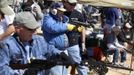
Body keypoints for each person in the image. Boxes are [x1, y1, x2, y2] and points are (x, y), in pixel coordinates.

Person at [0, 11, 68, 75]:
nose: (34, 32)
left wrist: (60, 54)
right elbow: (2, 69)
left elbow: (50, 49)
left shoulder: (39, 40)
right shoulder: (6, 45)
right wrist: (23, 73)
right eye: (30, 29)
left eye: (35, 29)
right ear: (18, 29)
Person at [42, 2, 78, 75]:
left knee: (63, 73)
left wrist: (75, 28)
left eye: (62, 11)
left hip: (63, 51)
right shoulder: (47, 18)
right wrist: (66, 26)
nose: (62, 13)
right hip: (54, 51)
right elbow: (52, 28)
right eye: (60, 11)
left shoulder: (61, 19)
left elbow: (63, 25)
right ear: (53, 10)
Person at [62, 0, 88, 75]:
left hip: (73, 44)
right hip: (60, 44)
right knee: (60, 65)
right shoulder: (59, 12)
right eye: (71, 4)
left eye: (74, 4)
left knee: (79, 64)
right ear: (64, 2)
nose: (73, 6)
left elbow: (83, 29)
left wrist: (83, 43)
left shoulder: (78, 14)